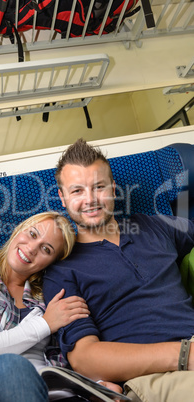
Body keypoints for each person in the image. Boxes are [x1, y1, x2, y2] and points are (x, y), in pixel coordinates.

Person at [42, 138, 194, 402]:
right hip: (156, 377)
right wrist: (185, 354)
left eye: (98, 187)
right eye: (77, 191)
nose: (90, 200)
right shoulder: (62, 269)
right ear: (63, 198)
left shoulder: (153, 226)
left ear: (113, 189)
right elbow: (85, 359)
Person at [0, 211, 93, 401]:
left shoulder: (50, 296)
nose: (32, 248)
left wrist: (97, 386)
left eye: (47, 249)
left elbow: (67, 363)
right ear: (19, 230)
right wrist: (44, 325)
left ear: (51, 263)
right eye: (33, 234)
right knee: (12, 367)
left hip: (52, 390)